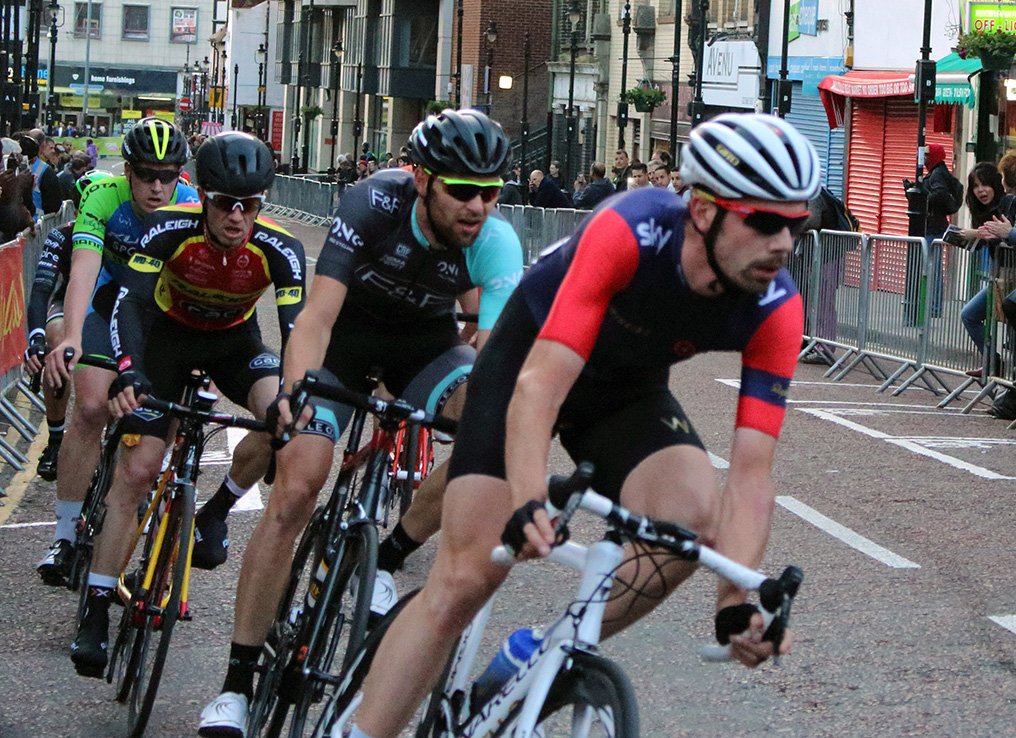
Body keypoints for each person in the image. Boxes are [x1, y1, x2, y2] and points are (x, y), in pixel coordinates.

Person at [340, 112, 820, 738]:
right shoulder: (631, 228)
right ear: (704, 211)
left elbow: (752, 475)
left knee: (688, 523)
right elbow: (540, 386)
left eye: (796, 226)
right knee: (464, 582)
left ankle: (542, 651)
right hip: (529, 362)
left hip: (621, 390)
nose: (782, 245)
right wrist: (529, 497)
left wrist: (734, 598)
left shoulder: (776, 306)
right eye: (763, 222)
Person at [197, 109, 525, 735]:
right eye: (461, 190)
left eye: (491, 192)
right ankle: (235, 686)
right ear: (422, 179)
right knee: (296, 489)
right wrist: (294, 391)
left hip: (425, 348)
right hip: (345, 345)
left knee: (496, 425)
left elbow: (494, 348)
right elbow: (317, 317)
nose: (478, 206)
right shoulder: (371, 202)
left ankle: (392, 552)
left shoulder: (497, 241)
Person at [69, 132, 306, 679]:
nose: (237, 217)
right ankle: (99, 608)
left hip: (233, 344)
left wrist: (297, 390)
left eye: (250, 205)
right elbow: (127, 309)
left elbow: (296, 333)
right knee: (139, 470)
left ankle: (216, 512)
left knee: (283, 416)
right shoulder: (166, 231)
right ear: (203, 197)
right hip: (164, 342)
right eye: (226, 203)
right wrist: (129, 371)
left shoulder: (281, 249)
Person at [38, 118, 196, 589]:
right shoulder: (103, 197)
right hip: (107, 301)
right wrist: (71, 338)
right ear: (127, 171)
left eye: (168, 174)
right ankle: (65, 535)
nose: (156, 185)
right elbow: (83, 271)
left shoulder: (189, 206)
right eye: (146, 173)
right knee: (88, 406)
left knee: (163, 423)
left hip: (158, 313)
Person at [22, 171, 113, 499]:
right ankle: (57, 437)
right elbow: (40, 291)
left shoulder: (130, 234)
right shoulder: (62, 236)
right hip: (70, 301)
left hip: (111, 305)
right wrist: (35, 337)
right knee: (56, 340)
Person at [964, 161, 1016, 392]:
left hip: (1010, 276)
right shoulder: (982, 210)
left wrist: (978, 234)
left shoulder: (1007, 204)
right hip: (999, 276)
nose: (981, 190)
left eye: (985, 184)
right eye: (976, 186)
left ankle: (1009, 388)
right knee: (970, 315)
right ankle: (993, 362)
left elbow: (1002, 237)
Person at [18, 134, 62, 219]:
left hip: (34, 222)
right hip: (35, 221)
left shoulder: (10, 168)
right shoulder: (46, 170)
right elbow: (54, 204)